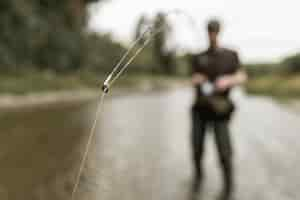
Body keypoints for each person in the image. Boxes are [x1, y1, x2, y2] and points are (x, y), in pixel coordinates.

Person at [189, 19, 247, 200]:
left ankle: (228, 188)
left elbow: (242, 76)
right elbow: (192, 78)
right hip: (199, 110)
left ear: (219, 31)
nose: (211, 33)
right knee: (196, 148)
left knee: (224, 150)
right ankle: (198, 179)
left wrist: (229, 80)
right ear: (206, 32)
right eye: (209, 30)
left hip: (221, 111)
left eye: (214, 30)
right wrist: (197, 79)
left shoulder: (231, 55)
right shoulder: (198, 56)